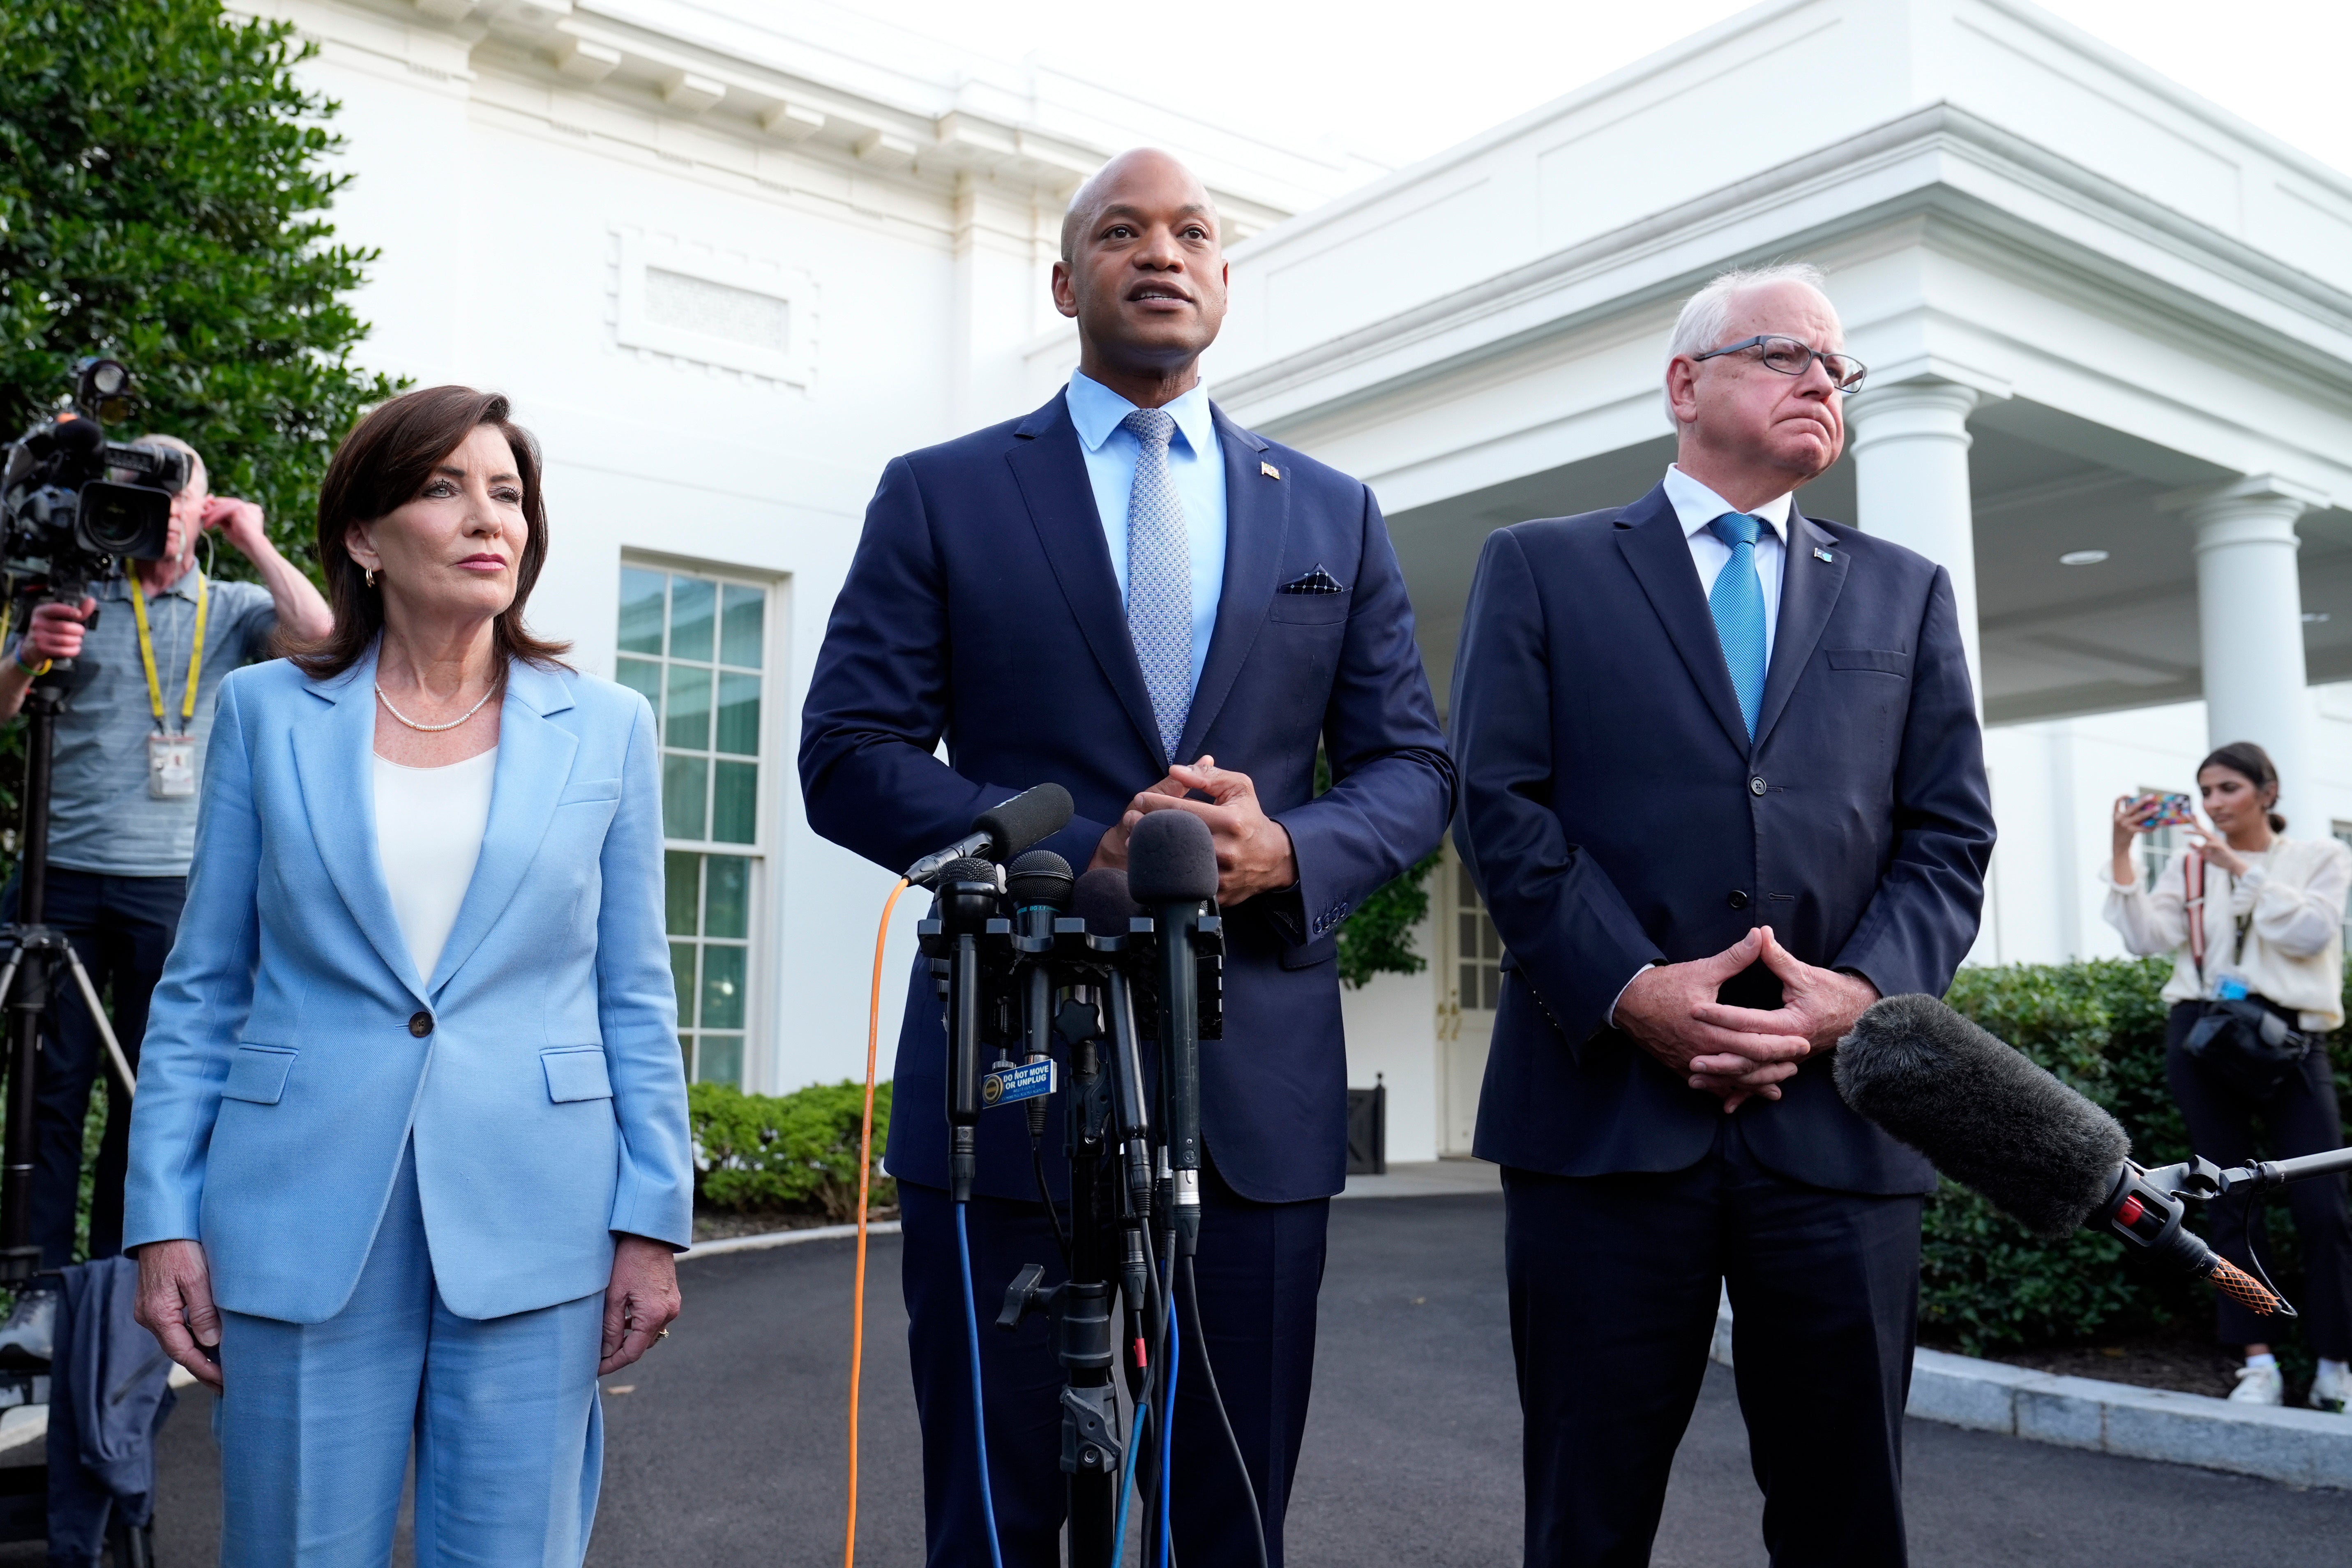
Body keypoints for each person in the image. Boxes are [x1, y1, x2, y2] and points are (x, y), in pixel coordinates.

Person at [800, 148, 1454, 1566]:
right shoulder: (943, 493)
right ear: (1064, 282)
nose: (1159, 251)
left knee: (1226, 1514)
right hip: (1009, 1072)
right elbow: (846, 751)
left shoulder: (1329, 512)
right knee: (997, 1514)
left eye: (1192, 232)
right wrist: (1052, 848)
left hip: (1257, 1092)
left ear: (1224, 279)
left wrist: (1284, 845)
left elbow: (1414, 771)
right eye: (1119, 230)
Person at [1450, 262, 1995, 1566]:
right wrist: (1631, 989)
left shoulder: (1904, 590)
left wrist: (1853, 1003)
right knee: (1586, 1516)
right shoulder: (1541, 567)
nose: (1823, 379)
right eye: (1783, 353)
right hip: (1603, 1122)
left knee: (1847, 1518)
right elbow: (1498, 806)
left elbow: (1948, 837)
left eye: (1837, 367)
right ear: (1686, 386)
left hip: (1839, 1133)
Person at [122, 387, 692, 1565]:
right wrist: (161, 1217)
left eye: (508, 493)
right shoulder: (267, 713)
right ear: (363, 538)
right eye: (444, 487)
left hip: (540, 1213)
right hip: (295, 1210)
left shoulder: (609, 727)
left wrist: (653, 1218)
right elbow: (204, 987)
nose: (491, 518)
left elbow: (634, 992)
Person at [0, 434, 331, 1269]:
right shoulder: (69, 592)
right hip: (61, 875)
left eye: (183, 500)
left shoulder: (231, 607)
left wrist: (253, 537)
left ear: (203, 511)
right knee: (48, 1095)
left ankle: (118, 1289)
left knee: (155, 1095)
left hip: (176, 889)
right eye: (147, 497)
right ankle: (36, 1290)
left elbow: (325, 640)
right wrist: (26, 654)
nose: (165, 516)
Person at [2105, 742, 2352, 1414]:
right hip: (2203, 1033)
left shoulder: (2320, 857)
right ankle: (2258, 1361)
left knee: (2321, 1204)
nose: (2213, 803)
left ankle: (2336, 1364)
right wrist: (2124, 850)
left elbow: (2308, 933)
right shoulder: (2188, 865)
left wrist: (2237, 865)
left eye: (2228, 789)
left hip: (2292, 1038)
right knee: (2228, 1196)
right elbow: (2147, 938)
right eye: (2205, 791)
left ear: (2266, 792)